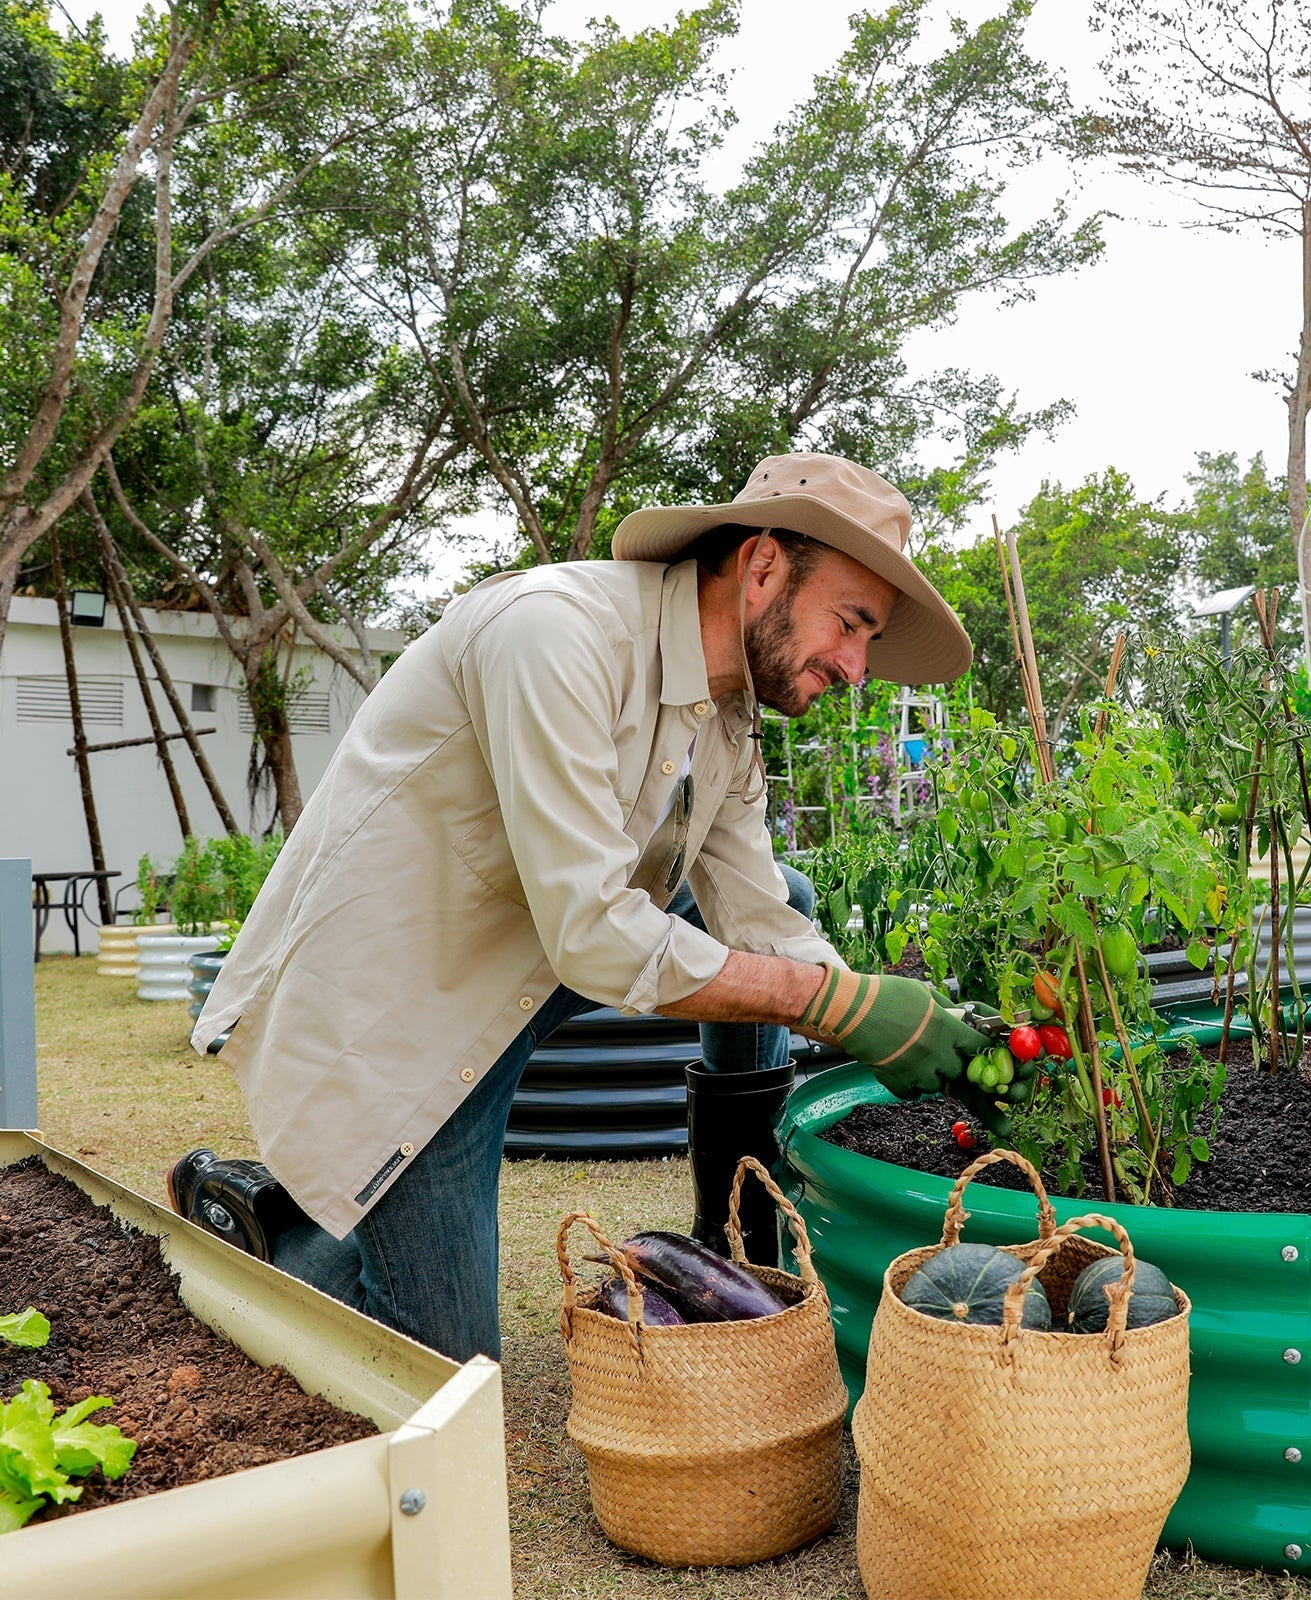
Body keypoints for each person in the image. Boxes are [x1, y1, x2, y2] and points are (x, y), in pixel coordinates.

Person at [170, 452, 994, 1363]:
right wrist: (833, 1005)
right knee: (447, 1372)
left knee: (790, 902)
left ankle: (733, 1238)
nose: (856, 668)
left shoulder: (729, 717)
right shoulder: (554, 634)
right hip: (410, 1009)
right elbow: (597, 937)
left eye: (868, 642)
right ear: (762, 568)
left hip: (534, 958)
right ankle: (269, 1231)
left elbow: (763, 916)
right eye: (850, 624)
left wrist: (892, 1015)